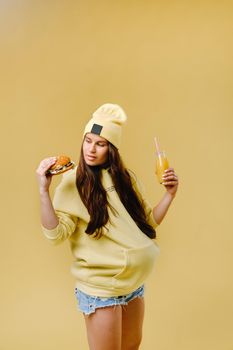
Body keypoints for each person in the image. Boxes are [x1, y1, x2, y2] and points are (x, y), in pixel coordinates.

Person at [36, 103, 179, 350]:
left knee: (131, 347)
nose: (91, 149)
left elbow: (148, 222)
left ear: (111, 149)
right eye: (88, 140)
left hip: (133, 285)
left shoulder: (126, 178)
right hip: (101, 290)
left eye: (100, 144)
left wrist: (169, 194)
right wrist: (43, 191)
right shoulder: (73, 183)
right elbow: (55, 234)